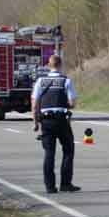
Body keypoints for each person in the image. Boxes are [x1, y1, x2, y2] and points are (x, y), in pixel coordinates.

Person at [31, 54, 79, 194]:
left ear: (48, 65)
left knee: (49, 153)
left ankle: (50, 187)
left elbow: (34, 104)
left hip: (46, 121)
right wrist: (65, 104)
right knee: (68, 150)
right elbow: (73, 103)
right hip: (62, 120)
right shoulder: (66, 81)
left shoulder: (41, 81)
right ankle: (65, 184)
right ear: (60, 65)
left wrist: (35, 123)